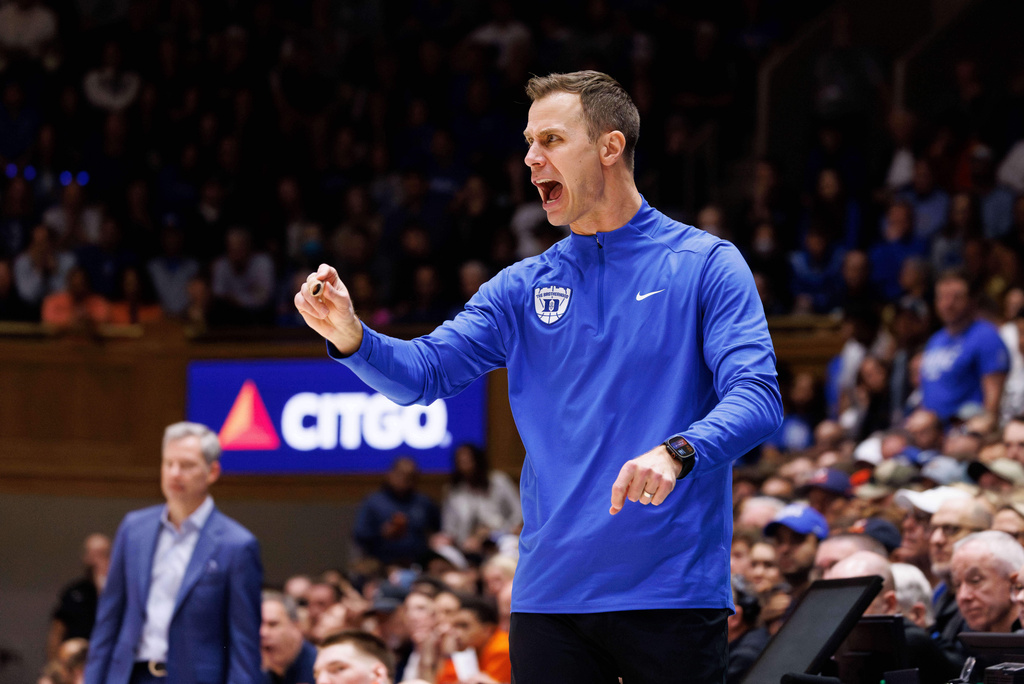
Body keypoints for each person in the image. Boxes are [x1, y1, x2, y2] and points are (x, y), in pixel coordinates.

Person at [295, 70, 782, 683]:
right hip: (549, 600)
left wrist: (681, 450)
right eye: (528, 143)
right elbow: (423, 375)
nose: (530, 160)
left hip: (670, 593)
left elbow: (758, 397)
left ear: (609, 146)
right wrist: (351, 335)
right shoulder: (521, 288)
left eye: (550, 140)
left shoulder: (706, 264)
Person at [84, 422, 263, 684]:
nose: (174, 473)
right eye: (168, 464)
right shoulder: (134, 529)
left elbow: (243, 643)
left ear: (212, 471)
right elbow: (109, 619)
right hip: (130, 676)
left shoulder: (237, 545)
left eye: (187, 465)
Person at [919, 269, 1009, 423]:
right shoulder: (935, 340)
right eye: (943, 297)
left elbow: (992, 405)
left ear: (972, 301)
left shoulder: (986, 336)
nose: (948, 304)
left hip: (964, 430)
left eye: (956, 298)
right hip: (930, 430)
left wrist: (979, 429)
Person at [352, 457, 441, 567]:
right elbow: (359, 535)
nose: (405, 479)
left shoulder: (424, 503)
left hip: (418, 563)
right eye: (401, 474)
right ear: (390, 474)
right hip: (381, 563)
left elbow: (438, 531)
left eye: (410, 476)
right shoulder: (373, 502)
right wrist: (382, 533)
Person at [47, 533, 111, 659]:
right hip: (75, 660)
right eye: (91, 554)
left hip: (109, 659)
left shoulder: (124, 592)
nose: (95, 560)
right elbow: (57, 632)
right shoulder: (73, 591)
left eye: (101, 554)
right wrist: (53, 665)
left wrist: (104, 584)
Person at [950, 531, 1024, 633]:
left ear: (1013, 584)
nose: (963, 596)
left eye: (975, 581)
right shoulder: (960, 638)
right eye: (957, 585)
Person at [435, 595, 510, 684]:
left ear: (487, 630)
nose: (457, 633)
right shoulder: (473, 649)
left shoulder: (501, 649)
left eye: (464, 626)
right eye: (455, 626)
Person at [261, 591, 316, 684]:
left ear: (296, 627)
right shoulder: (261, 669)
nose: (263, 633)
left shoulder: (319, 668)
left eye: (273, 624)